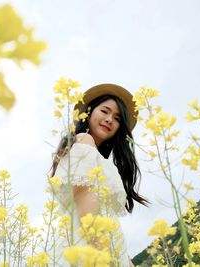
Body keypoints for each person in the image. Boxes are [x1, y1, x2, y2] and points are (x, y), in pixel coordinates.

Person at [50, 83, 149, 266]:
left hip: (100, 246)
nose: (110, 119)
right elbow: (84, 203)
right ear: (88, 113)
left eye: (117, 118)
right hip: (93, 250)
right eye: (105, 111)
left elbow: (105, 215)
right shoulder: (83, 141)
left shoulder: (91, 153)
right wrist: (105, 258)